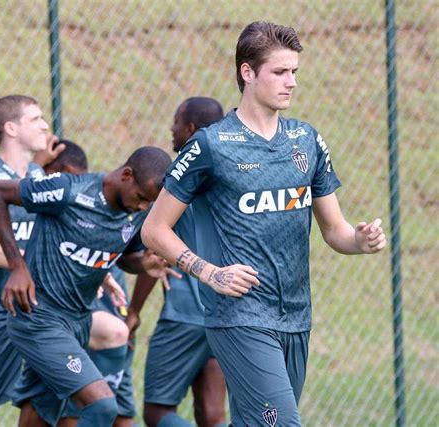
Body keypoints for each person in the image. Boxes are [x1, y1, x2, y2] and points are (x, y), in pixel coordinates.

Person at [141, 21, 387, 426]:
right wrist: (209, 272)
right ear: (247, 72)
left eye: (294, 72)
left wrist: (360, 240)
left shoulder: (306, 140)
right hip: (238, 317)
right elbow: (154, 229)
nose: (291, 82)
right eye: (280, 72)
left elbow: (335, 231)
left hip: (296, 316)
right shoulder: (211, 145)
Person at [0, 146, 173, 427]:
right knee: (103, 406)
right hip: (39, 317)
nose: (143, 206)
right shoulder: (68, 191)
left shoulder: (132, 214)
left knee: (38, 416)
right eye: (142, 198)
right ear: (126, 174)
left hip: (77, 323)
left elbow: (122, 259)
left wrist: (144, 266)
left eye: (150, 203)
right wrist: (17, 266)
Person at [126, 97, 228, 427]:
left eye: (176, 121)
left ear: (190, 130)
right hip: (227, 309)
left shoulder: (178, 180)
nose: (171, 128)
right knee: (212, 414)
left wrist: (135, 311)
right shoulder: (232, 176)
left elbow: (156, 250)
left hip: (184, 313)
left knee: (157, 412)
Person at [0, 95, 62, 427]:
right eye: (35, 119)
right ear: (10, 128)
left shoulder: (37, 174)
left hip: (37, 312)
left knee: (111, 334)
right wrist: (48, 267)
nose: (45, 125)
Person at [42, 139, 138, 427]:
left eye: (48, 174)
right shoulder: (108, 207)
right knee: (112, 407)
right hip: (112, 323)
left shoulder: (72, 206)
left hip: (94, 322)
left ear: (66, 171)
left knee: (88, 407)